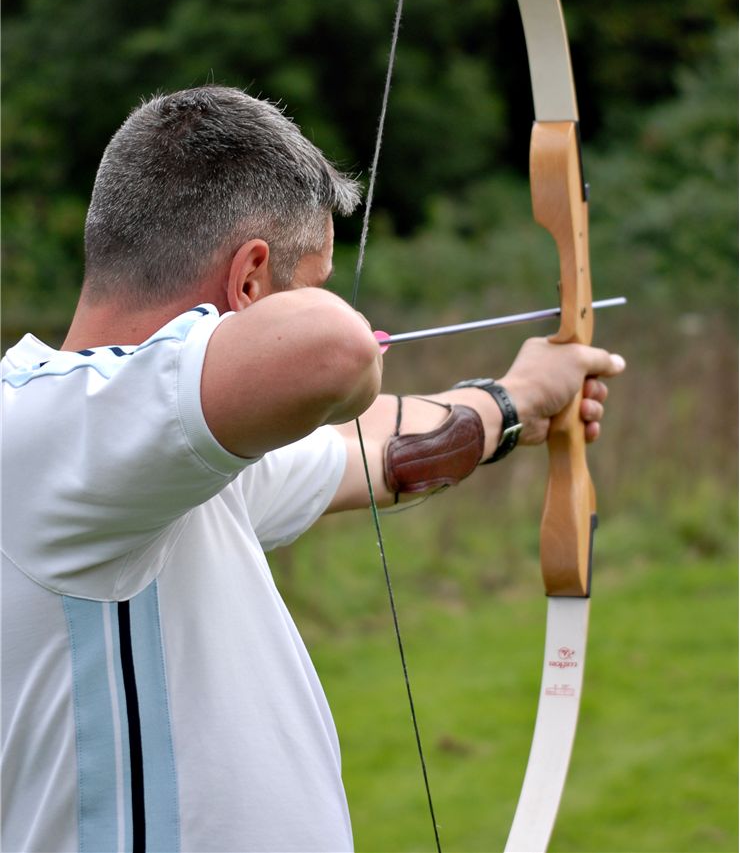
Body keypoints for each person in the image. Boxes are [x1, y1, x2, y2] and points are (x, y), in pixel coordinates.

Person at [1, 86, 625, 853]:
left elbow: (372, 451)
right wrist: (338, 337)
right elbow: (334, 351)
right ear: (251, 279)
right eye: (320, 279)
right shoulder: (49, 430)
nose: (336, 304)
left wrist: (518, 397)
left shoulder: (159, 462)